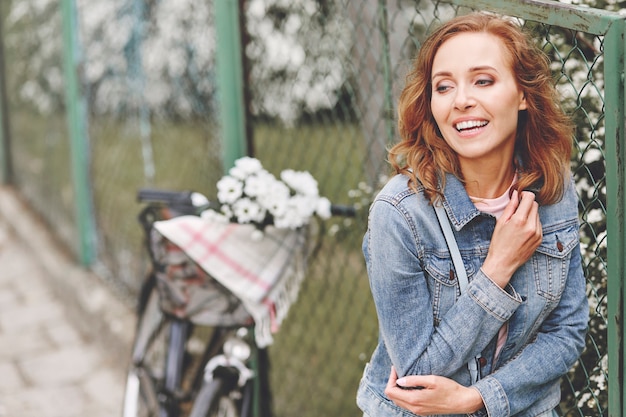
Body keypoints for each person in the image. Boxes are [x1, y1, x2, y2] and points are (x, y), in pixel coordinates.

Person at [356, 12, 589, 417]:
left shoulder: (552, 187)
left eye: (483, 80)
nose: (461, 99)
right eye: (444, 86)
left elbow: (566, 333)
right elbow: (416, 379)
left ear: (522, 94)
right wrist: (498, 268)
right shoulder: (401, 213)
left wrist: (478, 398)